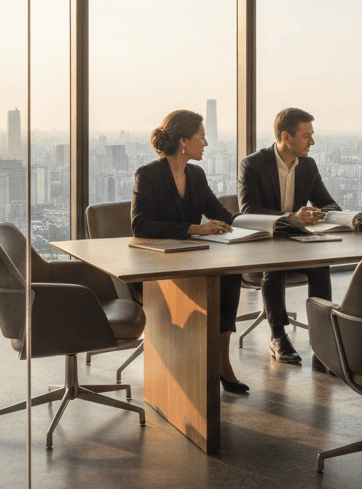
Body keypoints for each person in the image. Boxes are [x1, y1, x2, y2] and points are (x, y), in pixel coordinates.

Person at [130, 109, 250, 395]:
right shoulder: (148, 175)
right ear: (184, 141)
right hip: (155, 265)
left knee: (230, 277)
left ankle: (222, 361)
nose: (206, 144)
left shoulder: (195, 174)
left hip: (192, 258)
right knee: (214, 283)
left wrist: (265, 224)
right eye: (202, 137)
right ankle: (197, 367)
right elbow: (140, 224)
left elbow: (220, 213)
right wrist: (193, 229)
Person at [237, 107, 338, 371]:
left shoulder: (308, 165)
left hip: (296, 244)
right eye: (307, 136)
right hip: (262, 245)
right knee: (275, 265)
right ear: (286, 136)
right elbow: (248, 211)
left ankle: (322, 341)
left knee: (320, 266)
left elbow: (329, 204)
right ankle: (278, 336)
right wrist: (292, 215)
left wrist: (320, 212)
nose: (312, 142)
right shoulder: (253, 164)